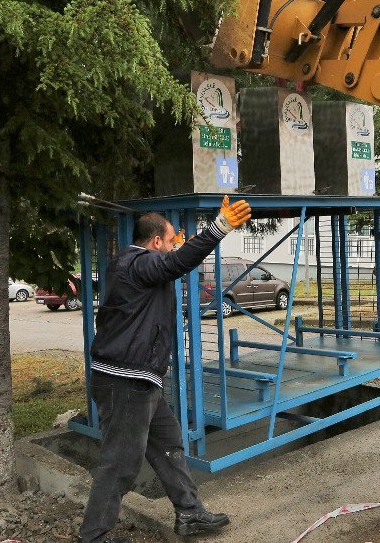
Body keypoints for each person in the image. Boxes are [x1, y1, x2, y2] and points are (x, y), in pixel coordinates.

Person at [77, 196, 252, 543]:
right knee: (122, 463)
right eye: (170, 241)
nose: (174, 248)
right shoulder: (137, 264)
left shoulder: (132, 265)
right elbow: (172, 266)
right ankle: (92, 536)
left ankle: (189, 513)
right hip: (126, 380)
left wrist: (181, 250)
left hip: (140, 379)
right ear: (156, 242)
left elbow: (170, 264)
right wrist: (218, 228)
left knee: (169, 444)